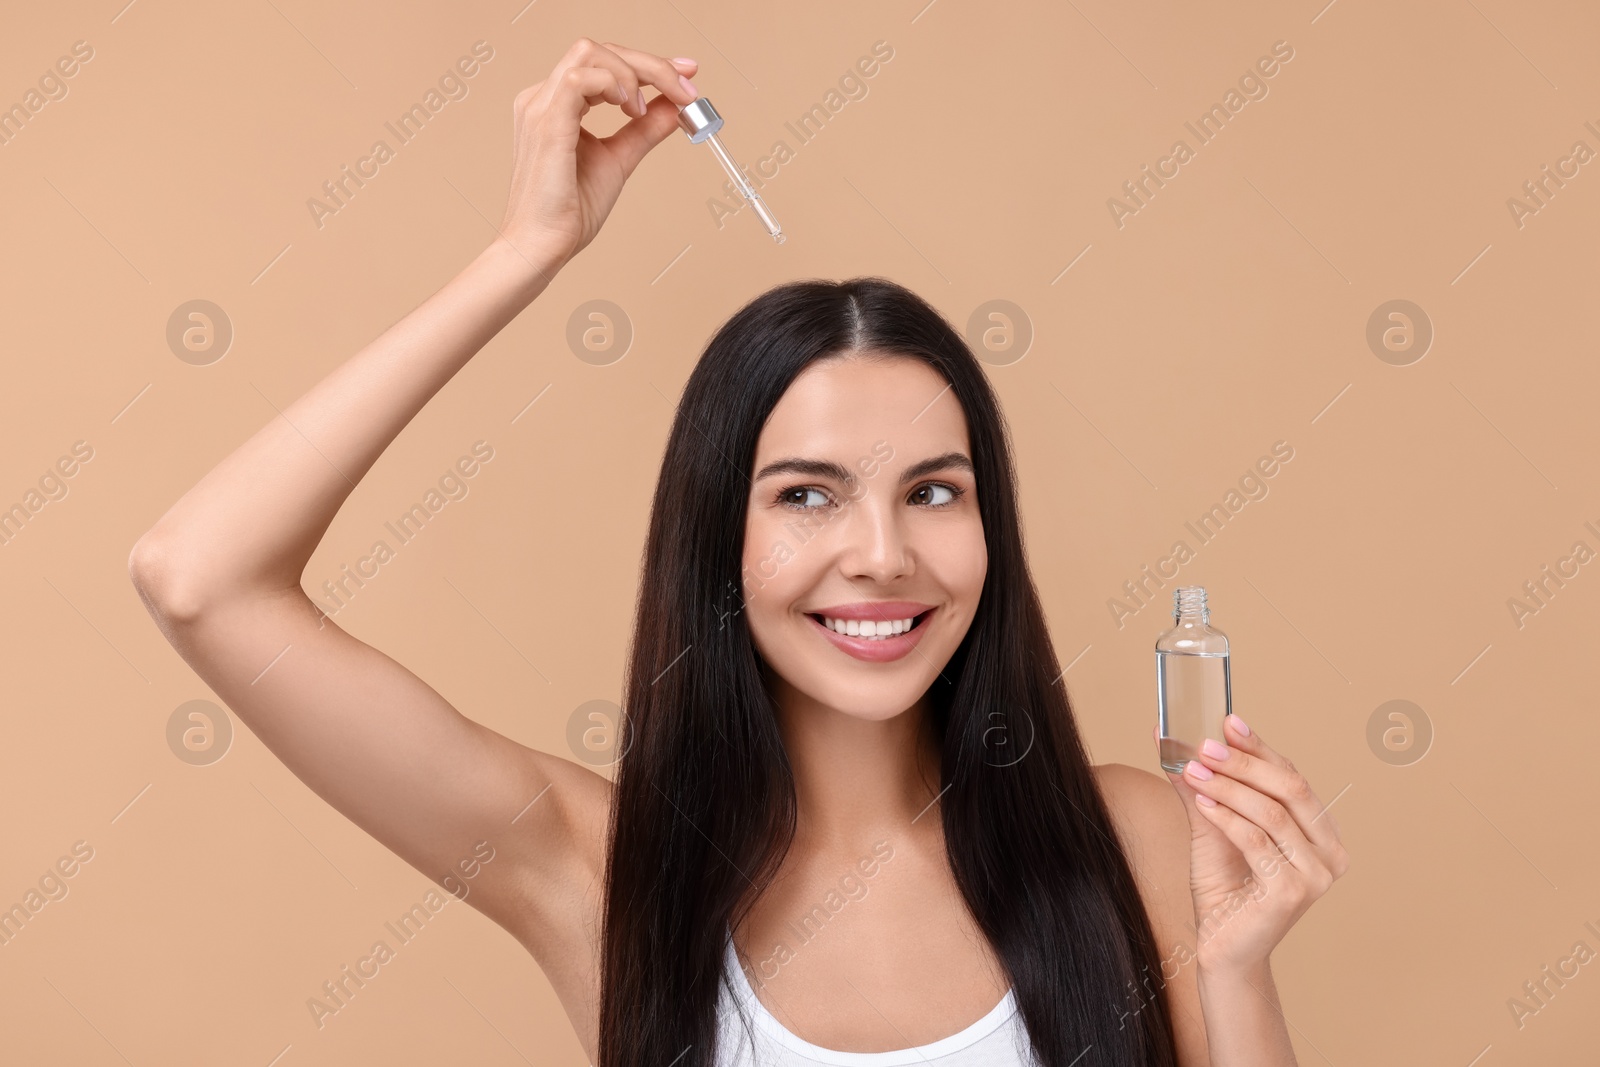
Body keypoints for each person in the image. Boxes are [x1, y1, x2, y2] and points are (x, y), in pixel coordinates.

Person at [128, 38, 1347, 1067]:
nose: (881, 554)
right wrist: (527, 249)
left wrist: (1235, 966)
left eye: (932, 488)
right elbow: (199, 576)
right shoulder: (600, 867)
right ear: (718, 538)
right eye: (807, 496)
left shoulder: (1133, 836)